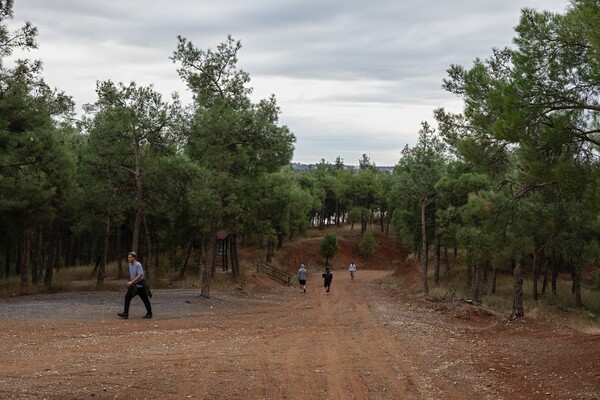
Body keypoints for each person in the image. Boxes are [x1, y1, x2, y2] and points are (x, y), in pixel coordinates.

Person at [118, 252, 152, 319]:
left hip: (141, 285)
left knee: (145, 299)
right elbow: (132, 274)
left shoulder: (138, 264)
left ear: (134, 257)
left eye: (130, 257)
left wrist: (132, 281)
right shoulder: (130, 264)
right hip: (134, 285)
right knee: (127, 297)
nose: (128, 258)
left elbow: (140, 275)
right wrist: (130, 281)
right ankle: (125, 313)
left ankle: (149, 313)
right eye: (128, 257)